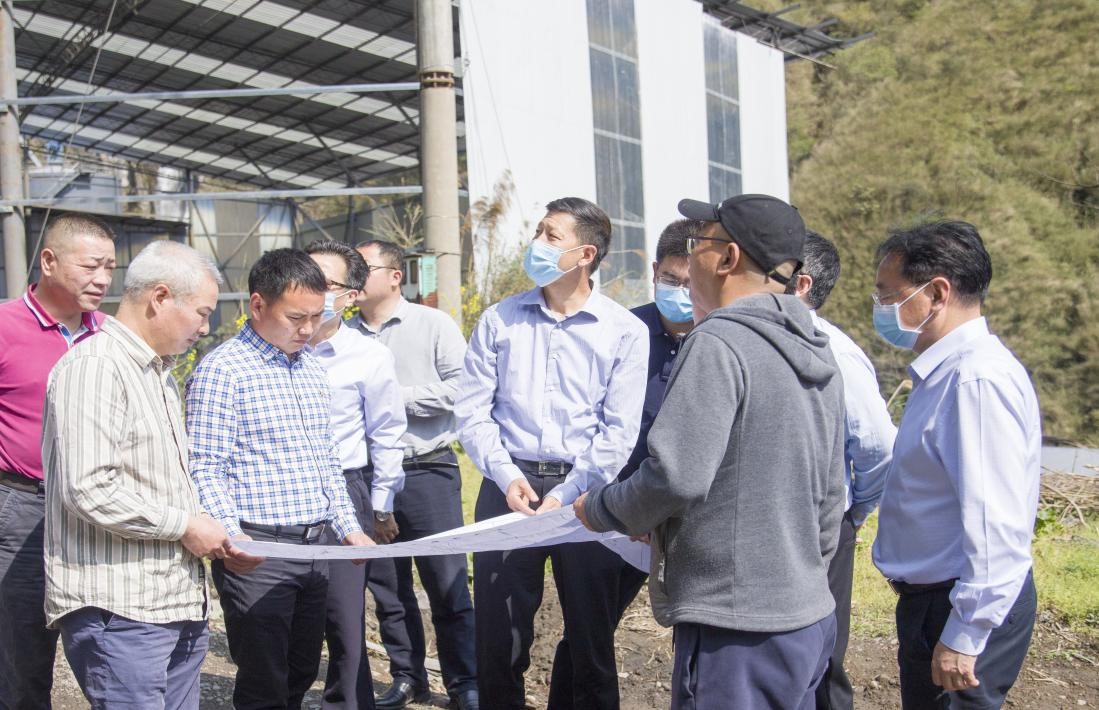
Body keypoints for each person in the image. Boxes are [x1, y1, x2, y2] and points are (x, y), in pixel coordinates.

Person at [576, 194, 846, 710]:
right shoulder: (814, 343)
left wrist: (602, 508)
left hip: (735, 625)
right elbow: (831, 493)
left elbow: (676, 476)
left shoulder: (719, 341)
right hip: (806, 614)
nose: (691, 255)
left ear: (727, 258)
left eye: (698, 242)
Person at [42, 240, 258, 708]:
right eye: (201, 313)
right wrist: (185, 525)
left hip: (172, 600)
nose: (205, 327)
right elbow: (89, 488)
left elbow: (161, 481)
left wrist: (213, 530)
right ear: (160, 297)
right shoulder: (96, 367)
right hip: (121, 609)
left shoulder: (155, 373)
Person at [456, 197, 649, 710]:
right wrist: (504, 474)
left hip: (586, 496)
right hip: (509, 490)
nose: (536, 243)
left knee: (591, 635)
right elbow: (472, 412)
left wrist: (570, 492)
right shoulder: (500, 320)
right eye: (538, 232)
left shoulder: (624, 330)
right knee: (499, 635)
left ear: (585, 254)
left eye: (550, 235)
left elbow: (618, 430)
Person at [187, 248, 373, 709]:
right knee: (264, 680)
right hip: (259, 552)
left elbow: (326, 460)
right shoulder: (223, 371)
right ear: (257, 305)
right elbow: (206, 465)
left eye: (316, 316)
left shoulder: (310, 369)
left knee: (301, 671)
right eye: (296, 318)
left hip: (315, 548)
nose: (308, 329)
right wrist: (232, 536)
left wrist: (348, 527)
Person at [870, 221, 1040, 709]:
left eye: (888, 295)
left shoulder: (975, 381)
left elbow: (995, 523)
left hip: (960, 604)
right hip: (935, 602)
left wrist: (966, 632)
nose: (880, 308)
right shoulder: (944, 374)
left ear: (937, 293)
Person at [550, 218, 701, 704]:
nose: (680, 292)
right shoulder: (621, 331)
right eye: (671, 279)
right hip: (602, 504)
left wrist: (654, 512)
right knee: (587, 630)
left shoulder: (715, 344)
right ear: (654, 272)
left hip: (674, 515)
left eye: (691, 282)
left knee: (690, 634)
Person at [352, 239, 479, 710]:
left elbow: (463, 387)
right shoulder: (343, 335)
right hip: (367, 475)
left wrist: (391, 399)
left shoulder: (432, 324)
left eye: (362, 267)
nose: (352, 277)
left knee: (447, 582)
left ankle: (465, 683)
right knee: (387, 587)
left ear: (394, 276)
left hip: (427, 469)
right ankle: (407, 678)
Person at [0, 213, 115, 708]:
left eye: (110, 267)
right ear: (48, 261)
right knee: (22, 648)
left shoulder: (109, 334)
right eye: (91, 266)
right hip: (25, 505)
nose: (103, 279)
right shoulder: (5, 327)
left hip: (102, 509)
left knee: (109, 642)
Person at [785, 231, 897, 710]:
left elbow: (877, 447)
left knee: (822, 658)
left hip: (821, 527)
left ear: (801, 285)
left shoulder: (836, 353)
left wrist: (852, 514)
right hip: (765, 526)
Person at [304, 240, 408, 710]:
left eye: (327, 283)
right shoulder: (272, 348)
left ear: (350, 295)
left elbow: (386, 434)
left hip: (346, 490)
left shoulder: (367, 356)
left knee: (345, 621)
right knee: (287, 617)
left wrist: (381, 504)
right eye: (308, 277)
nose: (314, 290)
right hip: (279, 492)